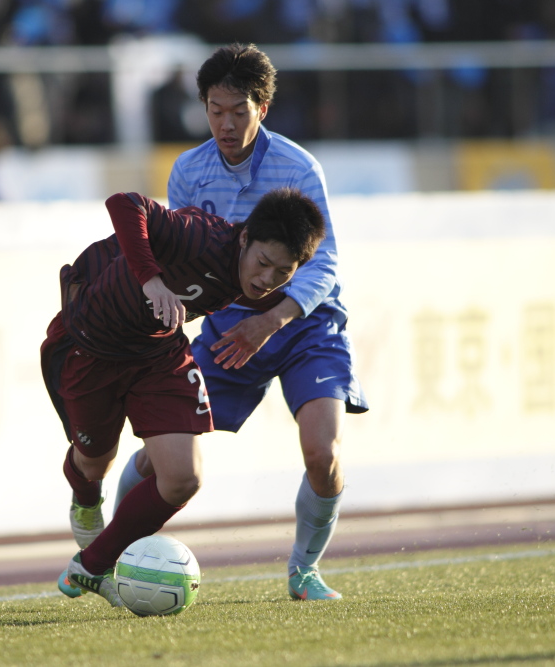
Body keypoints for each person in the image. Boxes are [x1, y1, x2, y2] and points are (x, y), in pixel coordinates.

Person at [112, 43, 368, 601]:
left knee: (323, 453)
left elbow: (323, 260)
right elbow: (182, 259)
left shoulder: (299, 168)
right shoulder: (189, 171)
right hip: (229, 326)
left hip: (304, 322)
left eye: (238, 112)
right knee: (161, 458)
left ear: (263, 110)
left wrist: (273, 319)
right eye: (215, 110)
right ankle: (117, 545)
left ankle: (304, 571)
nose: (225, 124)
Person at [44, 188, 326, 605]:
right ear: (245, 239)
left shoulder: (260, 280)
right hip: (90, 346)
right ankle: (86, 496)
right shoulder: (203, 237)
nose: (267, 279)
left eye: (282, 273)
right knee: (93, 463)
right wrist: (151, 279)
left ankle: (92, 564)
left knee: (183, 478)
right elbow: (124, 203)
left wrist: (272, 322)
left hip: (157, 352)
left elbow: (312, 284)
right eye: (263, 263)